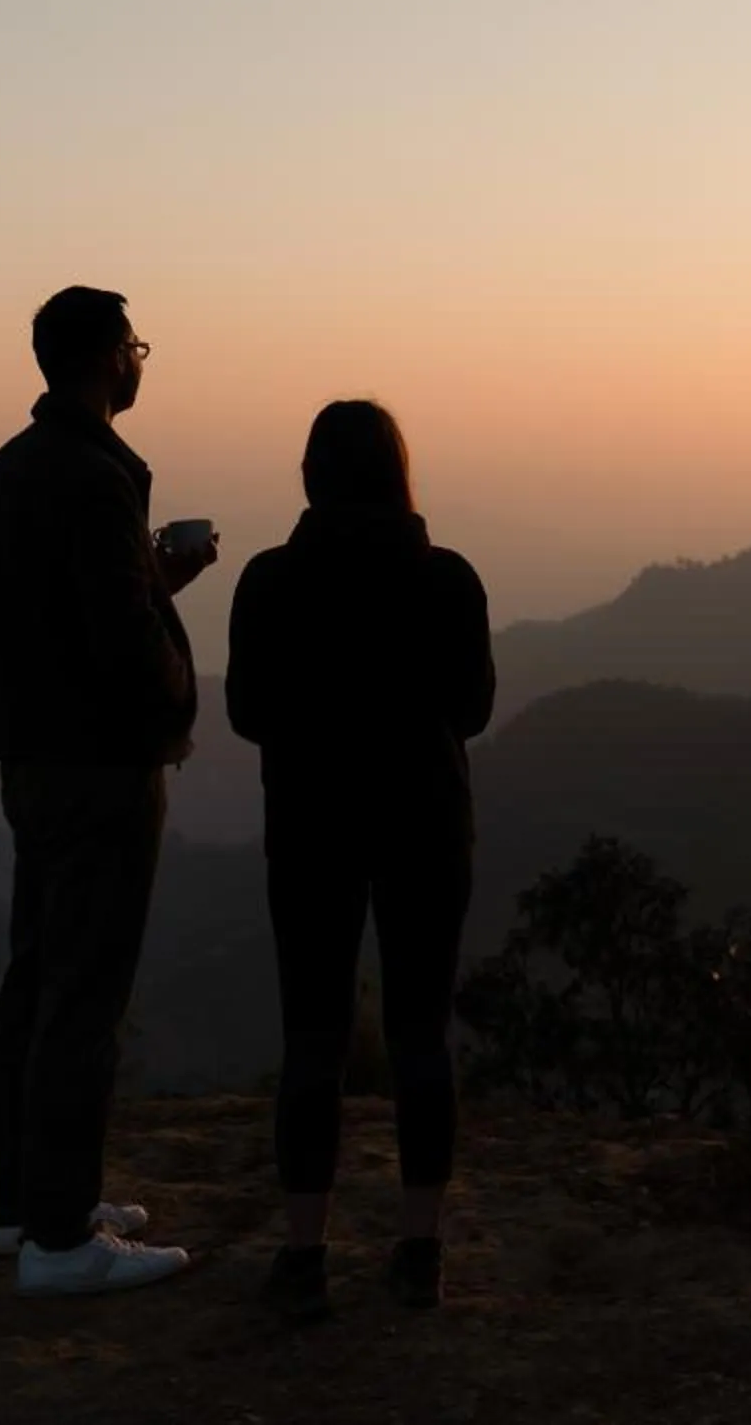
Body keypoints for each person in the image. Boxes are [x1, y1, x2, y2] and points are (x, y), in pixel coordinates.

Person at [225, 399, 494, 1322]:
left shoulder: (266, 583)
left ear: (310, 477)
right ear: (399, 474)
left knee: (313, 1040)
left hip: (310, 829)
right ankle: (419, 1251)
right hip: (426, 825)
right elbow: (473, 710)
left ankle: (305, 1256)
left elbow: (248, 715)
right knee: (422, 1034)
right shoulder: (449, 581)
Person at [0, 286, 213, 1296]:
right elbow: (118, 643)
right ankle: (62, 1243)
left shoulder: (13, 469)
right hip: (100, 766)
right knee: (84, 994)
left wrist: (155, 575)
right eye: (135, 345)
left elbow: (56, 616)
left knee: (38, 978)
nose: (140, 359)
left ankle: (29, 1203)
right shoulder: (92, 476)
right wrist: (172, 702)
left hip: (32, 759)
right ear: (107, 358)